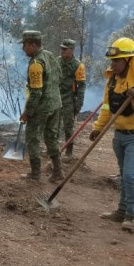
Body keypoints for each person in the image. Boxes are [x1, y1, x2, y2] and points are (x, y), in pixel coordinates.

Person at [89, 37, 134, 233]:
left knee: (130, 175)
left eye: (117, 60)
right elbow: (107, 107)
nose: (113, 64)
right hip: (119, 135)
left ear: (130, 61)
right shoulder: (112, 80)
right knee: (123, 175)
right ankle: (121, 211)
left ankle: (132, 215)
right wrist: (98, 128)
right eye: (112, 61)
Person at [19, 30, 62, 182]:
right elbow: (59, 77)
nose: (23, 49)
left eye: (24, 45)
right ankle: (58, 172)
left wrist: (27, 113)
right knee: (51, 137)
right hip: (56, 104)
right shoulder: (50, 55)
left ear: (32, 44)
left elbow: (36, 92)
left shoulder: (36, 64)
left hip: (42, 107)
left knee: (32, 138)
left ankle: (35, 174)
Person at [58, 39, 87, 157]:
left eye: (65, 49)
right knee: (53, 125)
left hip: (68, 100)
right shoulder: (57, 61)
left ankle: (68, 152)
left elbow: (82, 85)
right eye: (62, 49)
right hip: (56, 98)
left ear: (71, 50)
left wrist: (79, 103)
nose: (62, 51)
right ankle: (53, 149)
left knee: (68, 127)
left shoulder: (78, 65)